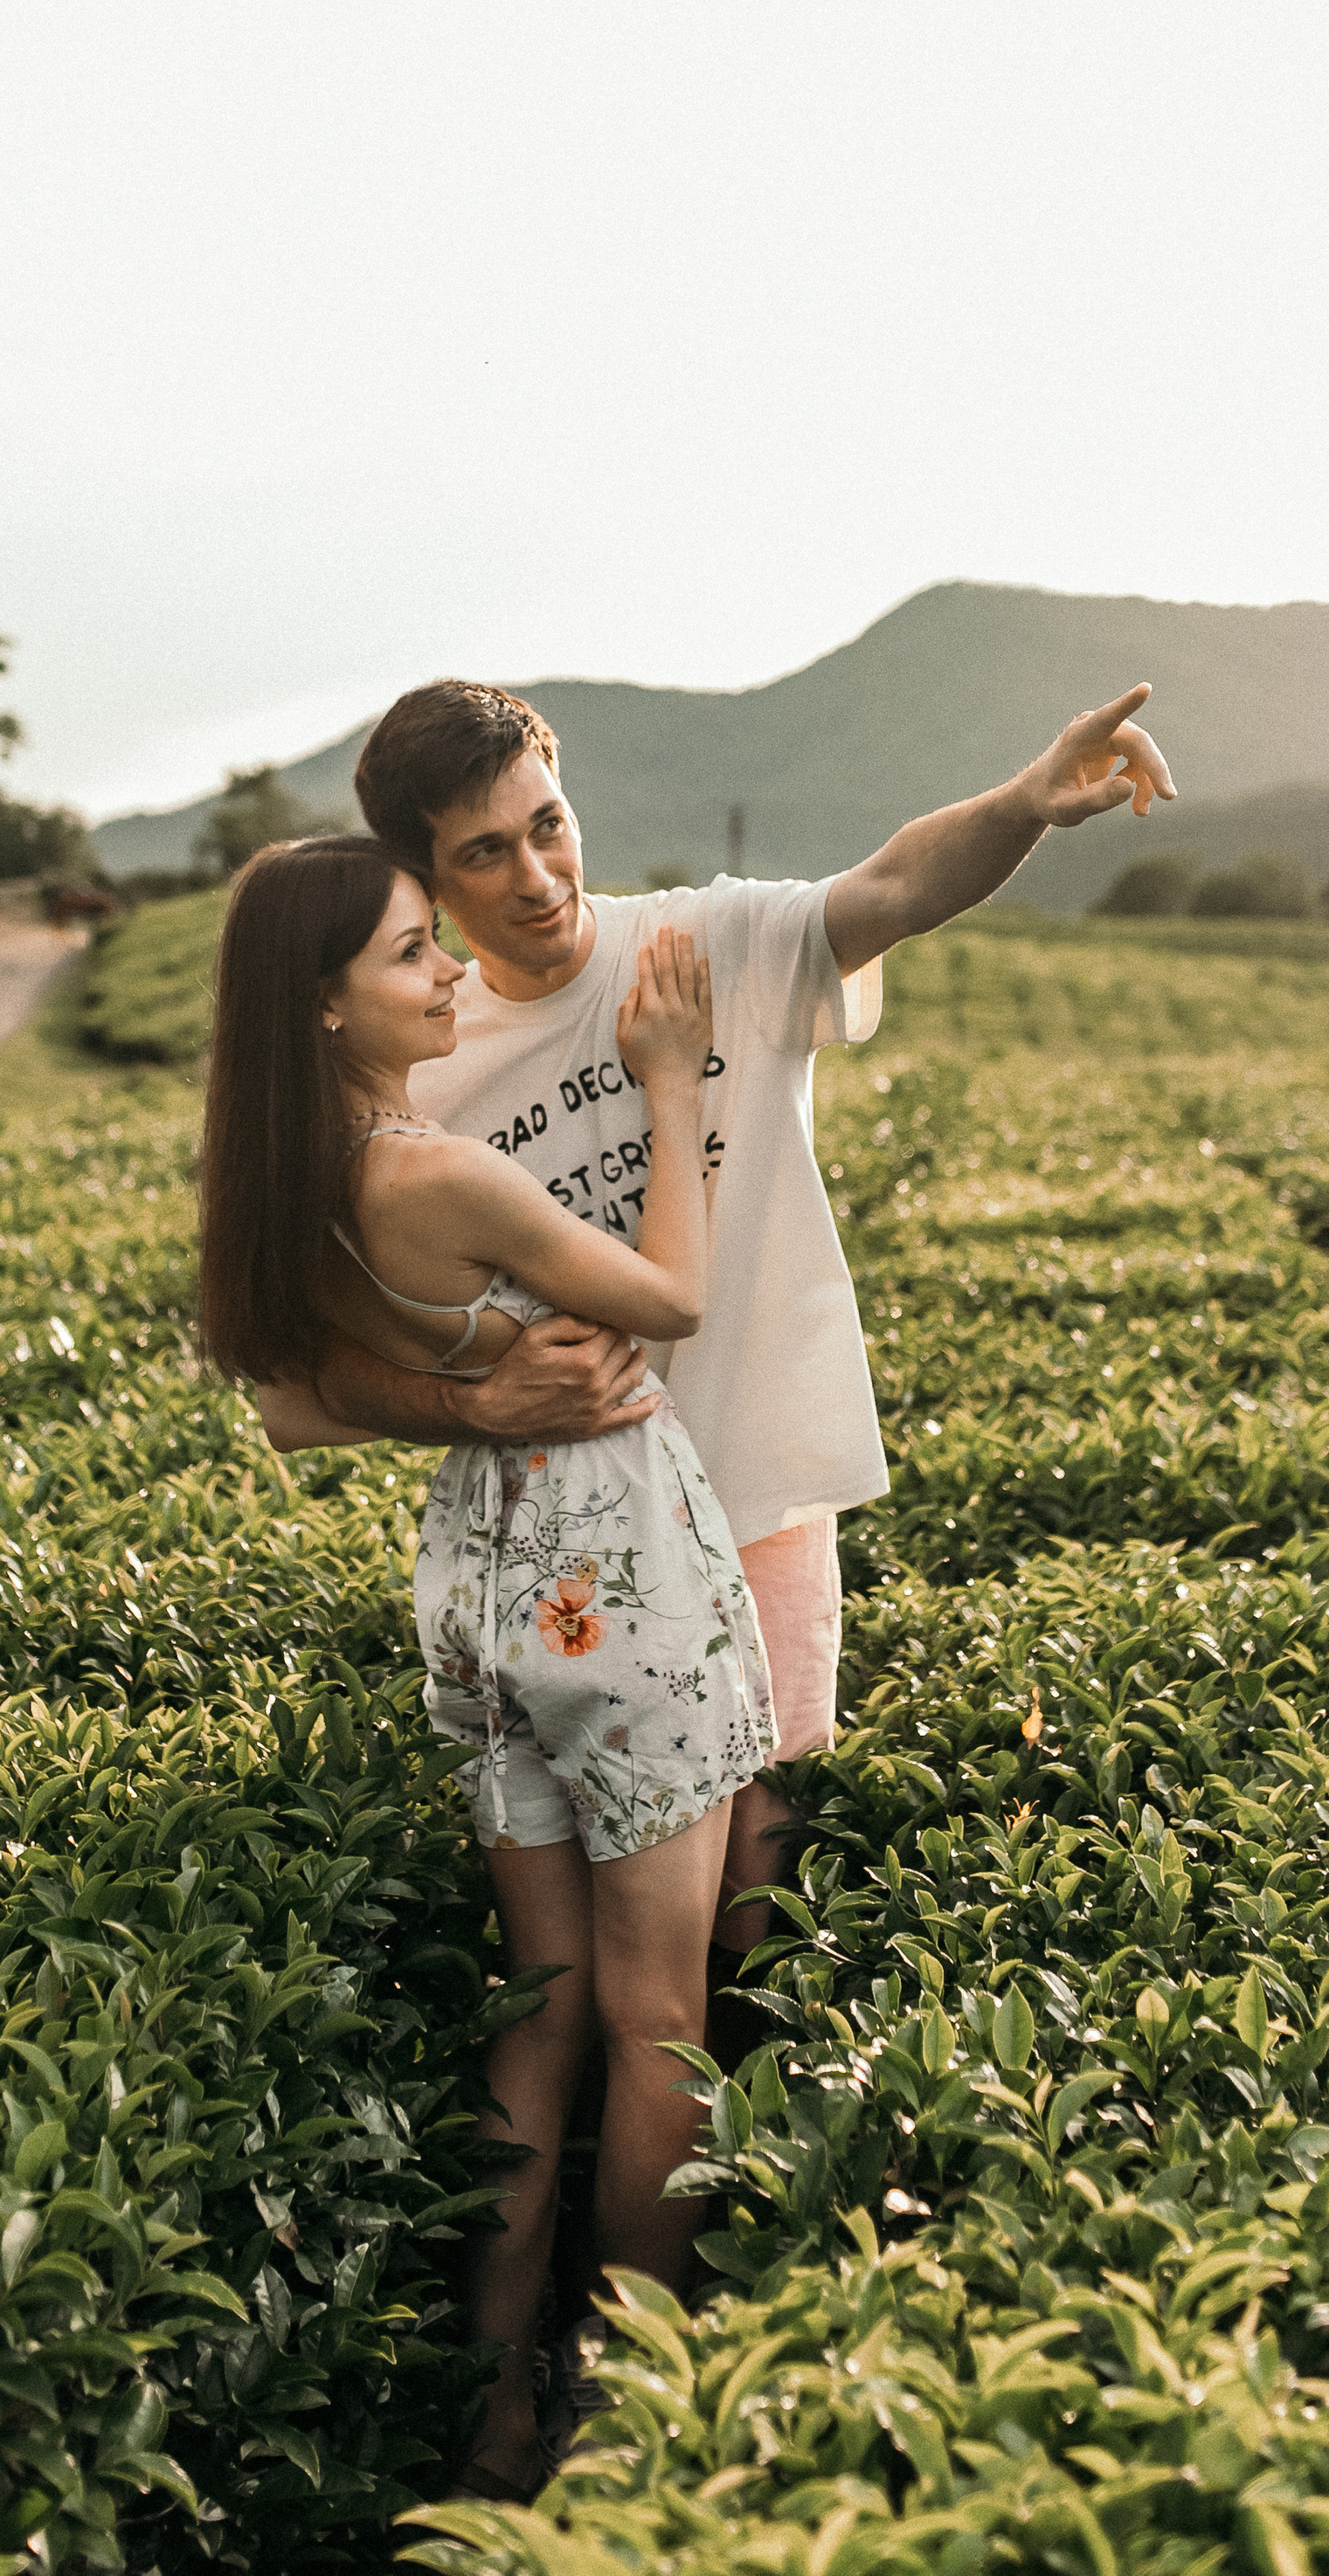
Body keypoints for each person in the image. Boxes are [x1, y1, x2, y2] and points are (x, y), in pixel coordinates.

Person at [256, 676, 1176, 1972]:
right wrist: (470, 1404)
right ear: (427, 882)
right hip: (589, 1539)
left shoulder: (701, 949)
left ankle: (741, 2140)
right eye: (484, 853)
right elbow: (300, 1379)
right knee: (606, 1944)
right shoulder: (425, 1059)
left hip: (756, 1492)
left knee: (760, 1867)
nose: (536, 874)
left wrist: (1030, 800)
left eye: (549, 824)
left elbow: (894, 888)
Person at [199, 834, 771, 2499]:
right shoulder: (431, 1172)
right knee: (662, 2017)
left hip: (482, 1585)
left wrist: (467, 1397)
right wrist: (669, 1082)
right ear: (325, 1005)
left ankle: (489, 2401)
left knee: (547, 2008)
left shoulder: (292, 1184)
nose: (450, 968)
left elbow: (292, 1403)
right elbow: (667, 1297)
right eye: (407, 953)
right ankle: (622, 2409)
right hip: (610, 1576)